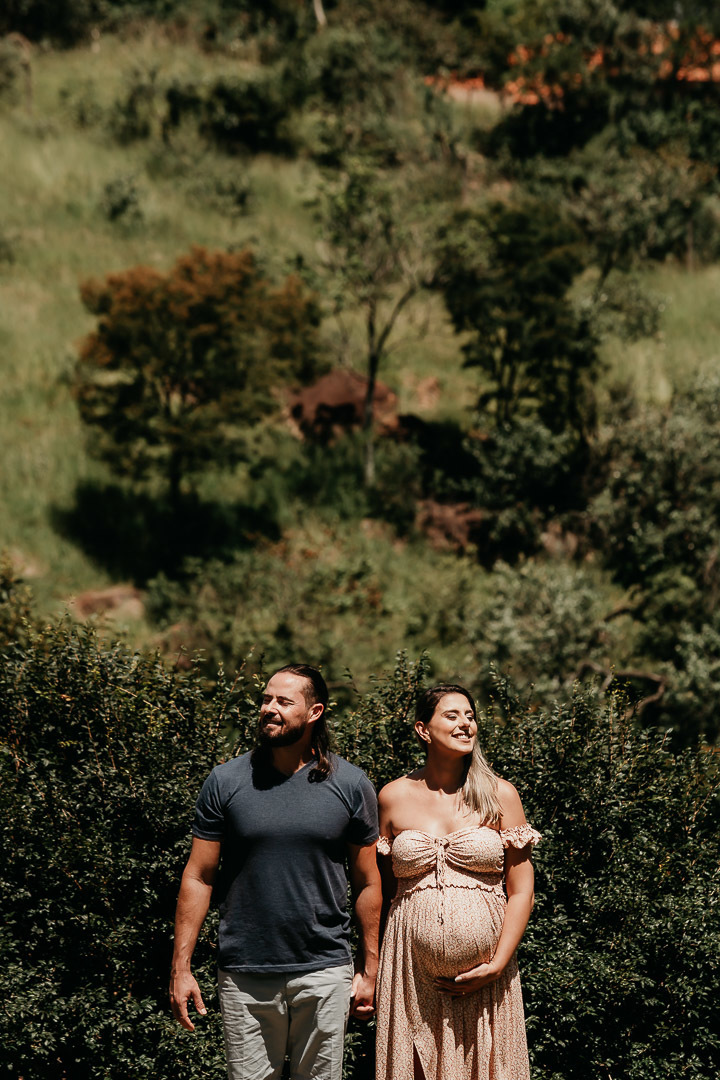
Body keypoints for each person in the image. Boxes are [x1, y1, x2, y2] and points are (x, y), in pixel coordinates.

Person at [169, 663, 381, 1080]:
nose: (269, 708)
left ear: (314, 711)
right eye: (266, 699)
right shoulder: (225, 781)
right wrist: (181, 968)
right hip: (245, 971)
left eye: (283, 701)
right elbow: (198, 876)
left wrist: (369, 970)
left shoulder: (351, 784)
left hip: (324, 968)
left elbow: (368, 882)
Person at [375, 684, 540, 1080]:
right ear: (422, 729)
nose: (466, 724)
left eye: (470, 715)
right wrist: (371, 966)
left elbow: (521, 890)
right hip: (411, 977)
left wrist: (497, 964)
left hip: (487, 981)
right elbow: (381, 892)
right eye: (452, 715)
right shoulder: (392, 797)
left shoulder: (500, 795)